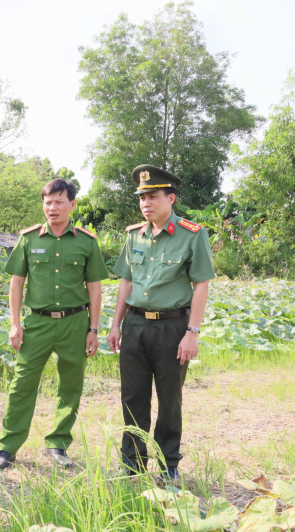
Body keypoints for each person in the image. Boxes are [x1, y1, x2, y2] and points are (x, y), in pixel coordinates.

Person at [106, 164, 215, 482]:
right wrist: (115, 325)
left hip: (173, 328)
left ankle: (169, 464)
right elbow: (126, 283)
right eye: (142, 198)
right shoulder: (134, 236)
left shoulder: (192, 235)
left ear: (171, 198)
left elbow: (201, 285)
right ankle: (132, 465)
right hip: (135, 325)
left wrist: (192, 332)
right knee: (132, 398)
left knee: (169, 399)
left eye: (153, 196)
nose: (146, 203)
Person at [0, 179, 109, 472]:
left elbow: (94, 288)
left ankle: (58, 444)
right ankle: (8, 447)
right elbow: (16, 283)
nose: (52, 208)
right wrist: (15, 323)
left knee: (71, 385)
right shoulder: (29, 239)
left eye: (59, 202)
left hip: (75, 323)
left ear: (72, 204)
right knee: (22, 384)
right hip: (37, 323)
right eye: (47, 202)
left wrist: (93, 329)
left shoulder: (86, 241)